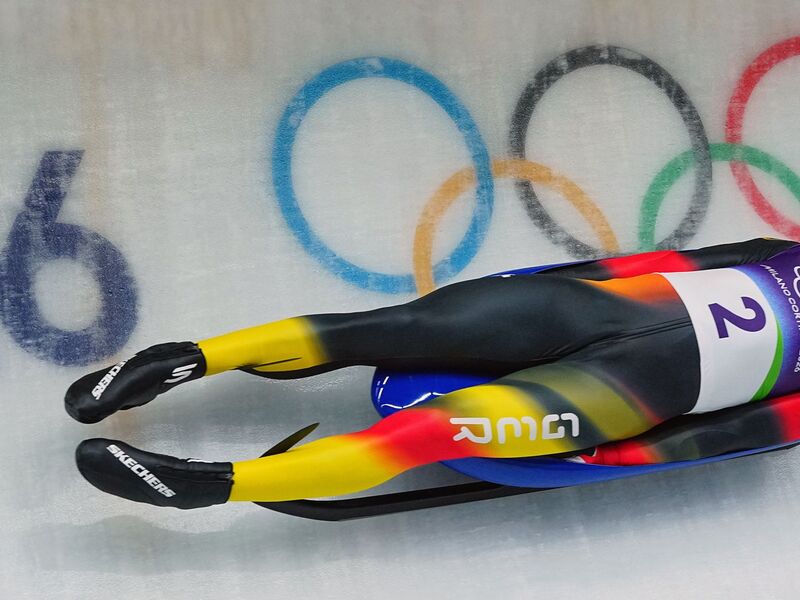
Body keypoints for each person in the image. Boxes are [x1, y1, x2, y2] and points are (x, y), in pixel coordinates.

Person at [66, 237, 800, 509]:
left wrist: (615, 459)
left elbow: (745, 432)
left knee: (427, 433)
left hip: (620, 396)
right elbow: (670, 263)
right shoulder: (782, 249)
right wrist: (554, 282)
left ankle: (210, 485)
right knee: (391, 328)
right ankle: (179, 360)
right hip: (582, 310)